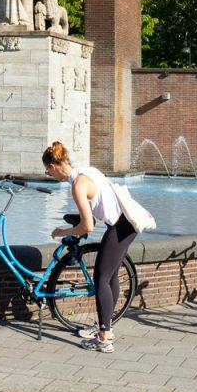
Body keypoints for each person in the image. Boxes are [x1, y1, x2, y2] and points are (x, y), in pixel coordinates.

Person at [42, 140, 138, 353]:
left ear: (54, 167)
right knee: (110, 276)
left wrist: (62, 232)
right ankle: (106, 328)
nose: (51, 176)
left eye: (48, 172)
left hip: (120, 227)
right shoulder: (87, 170)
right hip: (127, 223)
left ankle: (104, 338)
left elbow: (87, 227)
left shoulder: (77, 185)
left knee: (101, 278)